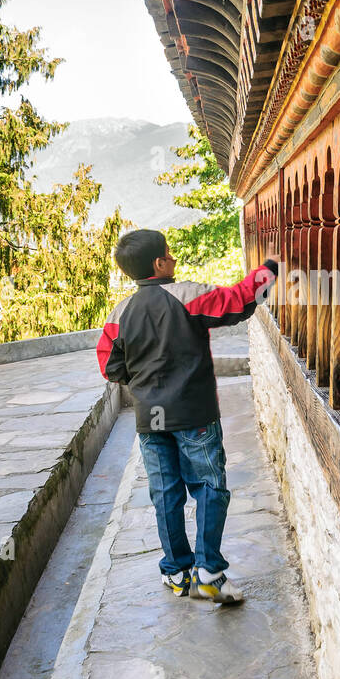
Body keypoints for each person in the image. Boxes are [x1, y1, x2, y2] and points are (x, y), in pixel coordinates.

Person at [97, 229, 279, 604]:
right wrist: (271, 269)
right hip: (193, 413)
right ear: (158, 264)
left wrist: (145, 382)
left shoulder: (119, 314)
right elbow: (239, 300)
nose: (174, 259)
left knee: (165, 493)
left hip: (152, 419)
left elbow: (109, 366)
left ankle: (176, 573)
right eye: (169, 254)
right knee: (211, 487)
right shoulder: (187, 296)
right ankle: (209, 572)